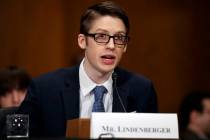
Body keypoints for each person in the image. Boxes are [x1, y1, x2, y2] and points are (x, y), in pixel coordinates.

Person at [18, 1, 158, 137]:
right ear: (82, 41)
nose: (111, 45)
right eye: (101, 36)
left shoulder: (142, 90)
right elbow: (15, 135)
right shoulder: (45, 89)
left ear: (125, 46)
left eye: (119, 38)